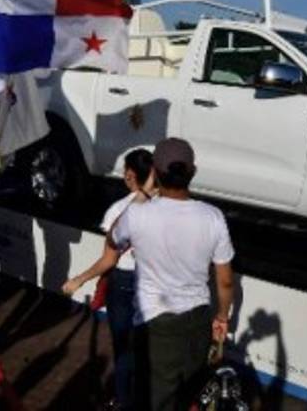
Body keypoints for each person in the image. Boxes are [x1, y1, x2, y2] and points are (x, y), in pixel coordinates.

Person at [111, 138, 235, 411]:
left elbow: (113, 238)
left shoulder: (138, 215)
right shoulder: (213, 217)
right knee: (187, 394)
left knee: (154, 400)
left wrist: (144, 190)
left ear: (155, 171)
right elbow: (225, 280)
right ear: (193, 172)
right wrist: (222, 317)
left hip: (156, 325)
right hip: (198, 322)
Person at [62, 151, 156, 409]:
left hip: (125, 282)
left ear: (130, 175)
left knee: (124, 349)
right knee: (148, 349)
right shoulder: (170, 205)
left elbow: (109, 259)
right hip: (156, 283)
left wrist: (79, 280)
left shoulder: (119, 210)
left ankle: (125, 402)